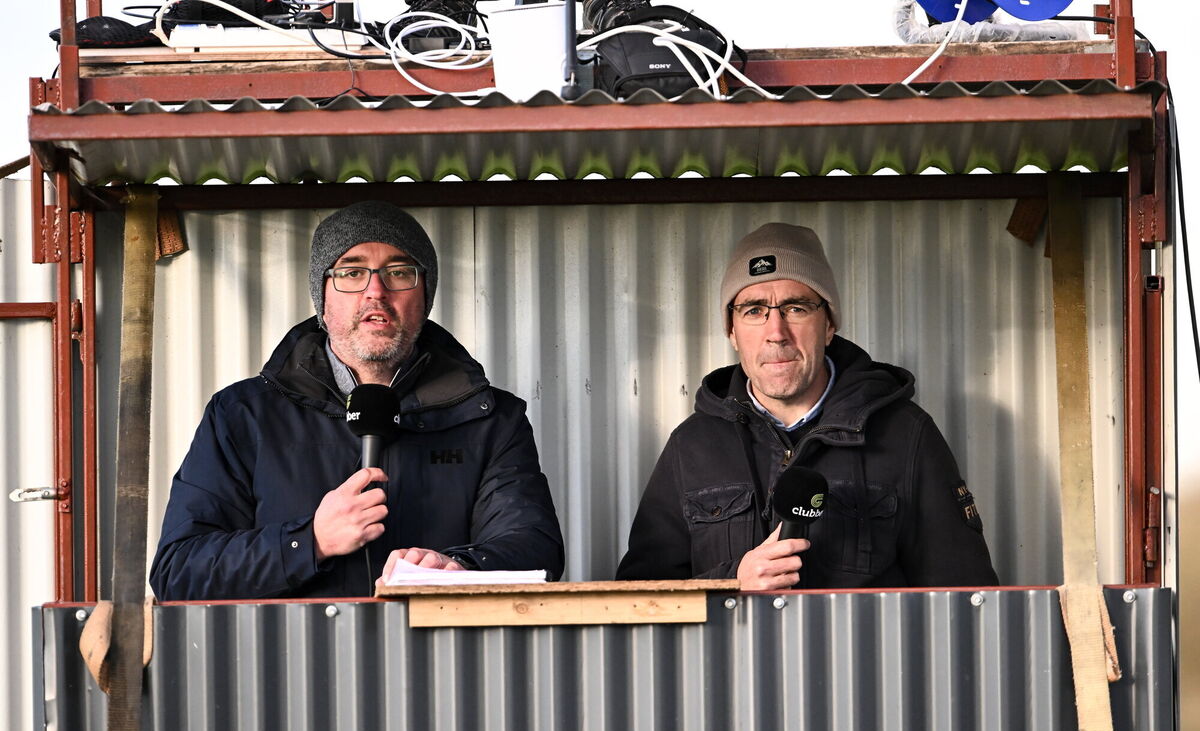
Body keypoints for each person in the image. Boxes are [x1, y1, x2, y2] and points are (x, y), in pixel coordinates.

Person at [150, 201, 564, 600]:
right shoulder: (242, 416)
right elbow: (179, 571)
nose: (376, 292)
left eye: (399, 273)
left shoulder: (491, 419)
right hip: (289, 665)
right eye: (351, 273)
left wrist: (462, 569)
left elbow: (536, 550)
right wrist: (309, 542)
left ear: (424, 296)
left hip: (443, 665)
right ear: (323, 297)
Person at [616, 223, 998, 590]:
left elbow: (966, 598)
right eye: (754, 311)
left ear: (829, 324)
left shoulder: (905, 435)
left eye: (796, 308)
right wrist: (731, 582)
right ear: (731, 331)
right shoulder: (691, 447)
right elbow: (639, 601)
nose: (776, 332)